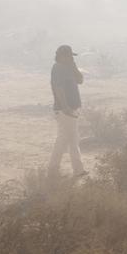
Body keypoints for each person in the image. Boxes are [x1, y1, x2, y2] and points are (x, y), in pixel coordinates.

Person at [48, 45, 87, 177]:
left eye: (72, 56)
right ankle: (58, 170)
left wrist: (74, 67)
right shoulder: (58, 68)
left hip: (71, 108)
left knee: (69, 139)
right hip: (65, 110)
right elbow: (58, 88)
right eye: (69, 56)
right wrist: (65, 107)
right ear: (61, 56)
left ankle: (75, 170)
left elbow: (80, 80)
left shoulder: (68, 67)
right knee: (67, 139)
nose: (71, 58)